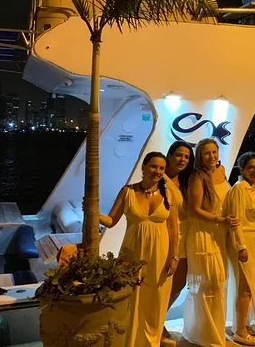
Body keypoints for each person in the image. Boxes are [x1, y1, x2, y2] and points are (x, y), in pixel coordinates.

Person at [99, 152, 179, 347]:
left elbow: (174, 229)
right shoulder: (128, 191)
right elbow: (111, 221)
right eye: (153, 166)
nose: (157, 171)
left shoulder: (168, 194)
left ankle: (151, 342)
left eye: (161, 168)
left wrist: (174, 256)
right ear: (143, 167)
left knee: (156, 300)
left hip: (160, 255)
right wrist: (93, 212)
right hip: (132, 254)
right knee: (132, 299)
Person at [182, 138, 238, 347]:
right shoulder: (197, 177)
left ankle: (215, 329)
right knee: (207, 284)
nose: (211, 156)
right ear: (200, 156)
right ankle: (205, 335)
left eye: (214, 152)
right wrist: (219, 219)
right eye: (207, 153)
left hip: (219, 234)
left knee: (218, 283)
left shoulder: (221, 172)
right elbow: (194, 210)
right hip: (203, 234)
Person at [225, 152, 255, 346]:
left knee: (251, 285)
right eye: (251, 167)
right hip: (245, 242)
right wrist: (240, 246)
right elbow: (236, 221)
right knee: (245, 287)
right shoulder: (239, 188)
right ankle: (239, 331)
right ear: (242, 169)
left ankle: (245, 323)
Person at [161, 142, 195, 346]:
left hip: (184, 238)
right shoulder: (162, 180)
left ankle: (158, 321)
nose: (182, 160)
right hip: (167, 238)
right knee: (166, 284)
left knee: (179, 283)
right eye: (179, 155)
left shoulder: (184, 181)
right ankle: (157, 325)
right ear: (170, 155)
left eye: (187, 157)